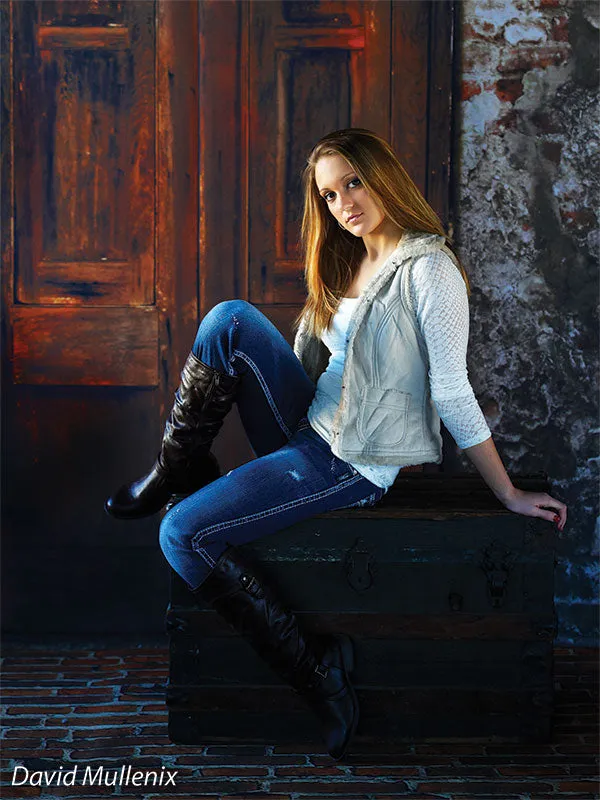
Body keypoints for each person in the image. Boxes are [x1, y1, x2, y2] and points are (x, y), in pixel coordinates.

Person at [104, 128, 568, 760]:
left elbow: (452, 390)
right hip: (312, 429)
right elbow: (316, 357)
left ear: (384, 176)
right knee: (229, 319)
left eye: (354, 181)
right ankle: (173, 466)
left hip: (351, 459)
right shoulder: (353, 255)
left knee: (179, 534)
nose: (344, 202)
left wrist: (508, 492)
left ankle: (317, 674)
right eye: (328, 194)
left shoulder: (430, 270)